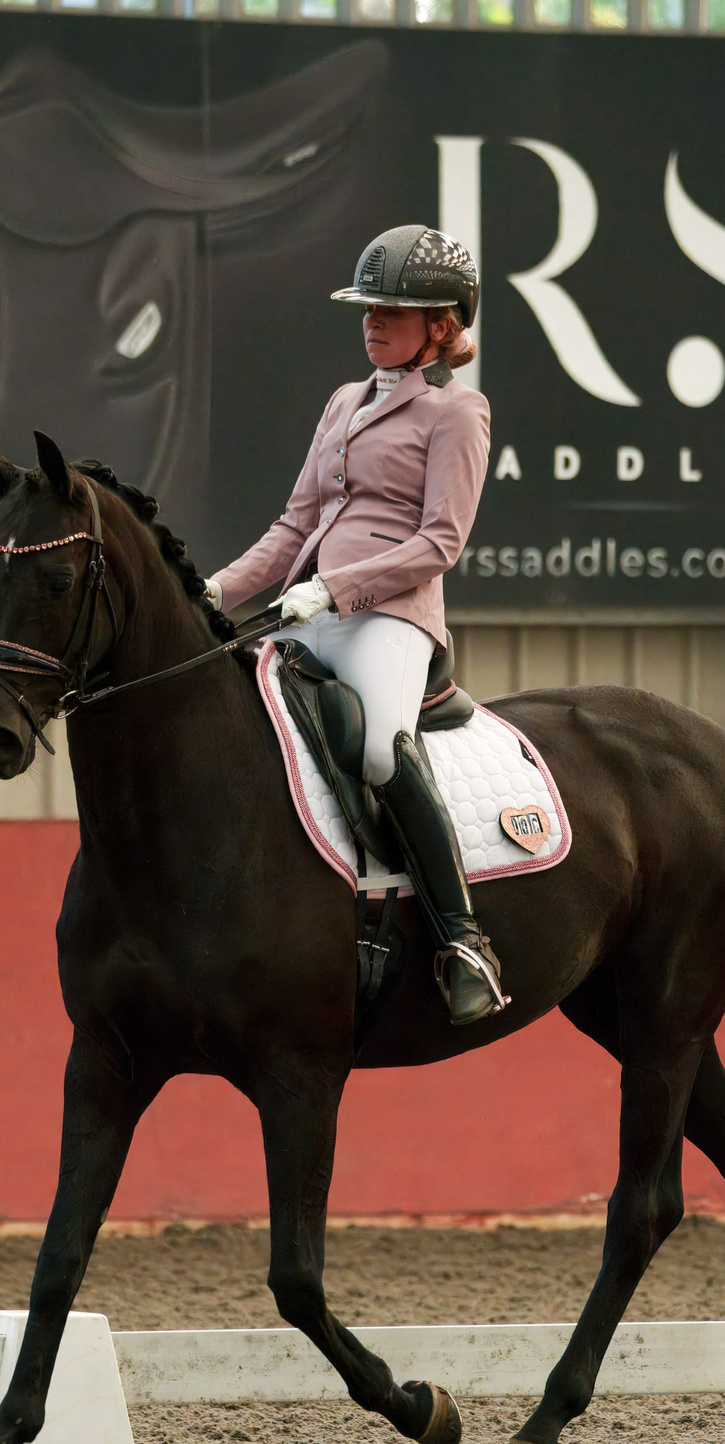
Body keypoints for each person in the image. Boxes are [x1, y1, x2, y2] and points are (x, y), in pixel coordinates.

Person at [203, 225, 503, 1025]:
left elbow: (441, 541)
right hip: (309, 606)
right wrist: (214, 591)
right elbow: (293, 522)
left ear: (440, 326)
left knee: (377, 747)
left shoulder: (457, 413)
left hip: (392, 617)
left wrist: (339, 589)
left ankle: (463, 939)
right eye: (368, 308)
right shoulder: (345, 399)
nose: (373, 322)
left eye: (393, 311)